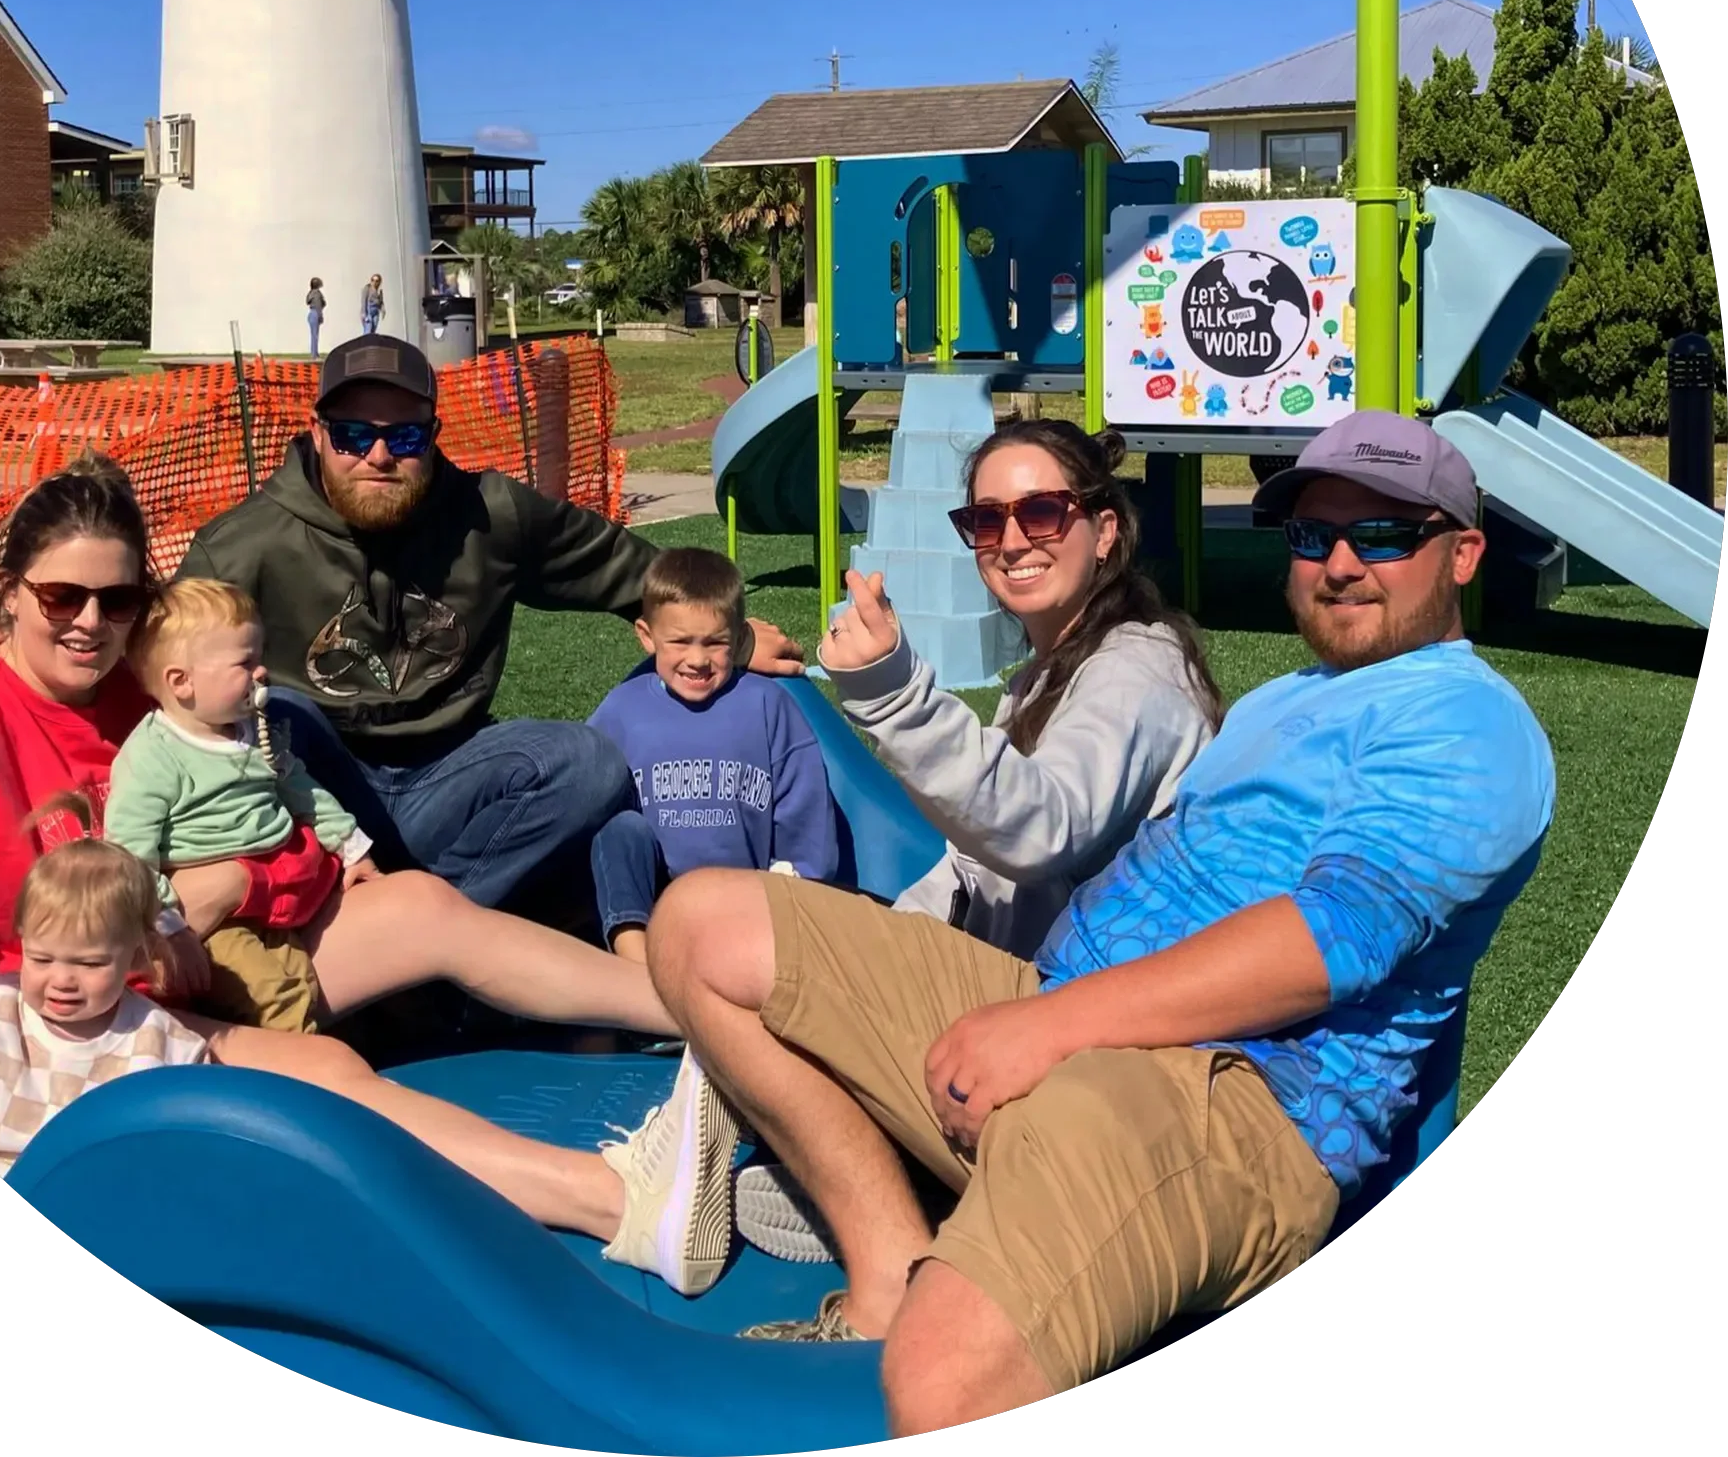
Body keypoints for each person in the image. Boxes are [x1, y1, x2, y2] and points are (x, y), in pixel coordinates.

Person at [636, 411, 1557, 1435]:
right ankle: (893, 1265)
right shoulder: (1286, 700)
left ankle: (953, 1254)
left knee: (944, 1376)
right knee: (705, 925)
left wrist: (1046, 1028)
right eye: (1313, 535)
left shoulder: (1464, 719)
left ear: (1461, 554)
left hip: (1226, 1095)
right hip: (1067, 1010)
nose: (1340, 564)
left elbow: (1323, 942)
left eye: (1381, 536)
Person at [0, 450, 747, 1295]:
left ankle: (713, 1010)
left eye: (118, 598)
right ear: (11, 593)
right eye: (61, 595)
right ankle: (621, 1205)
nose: (89, 621)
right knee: (326, 1078)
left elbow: (280, 835)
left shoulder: (146, 704)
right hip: (45, 1020)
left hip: (197, 959)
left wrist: (231, 891)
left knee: (420, 904)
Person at [732, 419, 1224, 1262]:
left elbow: (1041, 828)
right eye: (986, 521)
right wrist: (882, 939)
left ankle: (876, 1194)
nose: (1012, 541)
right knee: (778, 945)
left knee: (729, 929)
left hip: (1084, 1034)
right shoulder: (1054, 669)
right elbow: (974, 868)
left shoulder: (1138, 672)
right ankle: (843, 1154)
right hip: (1034, 996)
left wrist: (894, 692)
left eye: (1042, 512)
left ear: (1105, 530)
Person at [171, 333, 803, 934]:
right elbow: (166, 688)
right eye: (353, 435)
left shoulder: (488, 514)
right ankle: (431, 937)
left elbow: (623, 568)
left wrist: (735, 637)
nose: (379, 456)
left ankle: (413, 935)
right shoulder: (241, 548)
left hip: (451, 777)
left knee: (588, 764)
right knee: (283, 711)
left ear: (433, 434)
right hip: (319, 793)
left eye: (405, 436)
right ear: (317, 433)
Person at [0, 794, 212, 1179]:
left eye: (90, 964)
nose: (62, 980)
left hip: (89, 1196)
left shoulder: (160, 1044)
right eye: (41, 959)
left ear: (136, 955)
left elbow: (198, 1132)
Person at [105, 578, 380, 1034]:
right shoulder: (153, 757)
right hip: (218, 926)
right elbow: (130, 855)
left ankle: (299, 1054)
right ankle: (305, 1069)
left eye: (259, 656)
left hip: (275, 899)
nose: (261, 672)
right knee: (276, 997)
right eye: (245, 662)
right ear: (182, 681)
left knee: (302, 982)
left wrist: (351, 847)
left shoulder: (252, 729)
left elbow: (300, 789)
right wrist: (169, 925)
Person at [587, 546, 841, 965]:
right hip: (650, 912)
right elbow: (583, 800)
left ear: (739, 640)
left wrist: (796, 887)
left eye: (716, 642)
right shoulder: (621, 710)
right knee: (619, 830)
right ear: (647, 636)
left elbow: (804, 812)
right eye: (679, 641)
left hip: (744, 914)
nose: (698, 659)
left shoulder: (767, 706)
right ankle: (638, 968)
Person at [307, 278, 327, 358]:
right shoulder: (317, 294)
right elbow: (319, 305)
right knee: (315, 335)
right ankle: (314, 354)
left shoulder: (310, 293)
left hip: (311, 313)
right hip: (316, 313)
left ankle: (314, 352)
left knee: (313, 335)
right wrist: (320, 316)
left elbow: (307, 301)